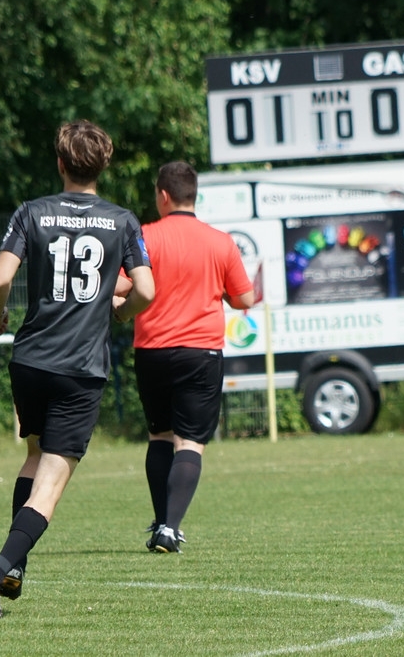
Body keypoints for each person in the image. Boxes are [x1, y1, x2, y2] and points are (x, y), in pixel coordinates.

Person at [0, 120, 154, 620]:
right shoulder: (122, 220)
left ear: (60, 163)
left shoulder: (32, 211)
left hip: (31, 360)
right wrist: (120, 313)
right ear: (103, 166)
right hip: (80, 367)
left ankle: (15, 569)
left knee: (34, 456)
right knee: (51, 482)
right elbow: (146, 290)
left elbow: (0, 278)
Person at [132, 161, 254, 554]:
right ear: (193, 196)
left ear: (163, 195)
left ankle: (160, 524)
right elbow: (245, 298)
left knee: (159, 436)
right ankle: (170, 528)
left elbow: (120, 285)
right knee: (190, 443)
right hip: (201, 352)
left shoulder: (144, 236)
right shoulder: (220, 242)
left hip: (151, 350)